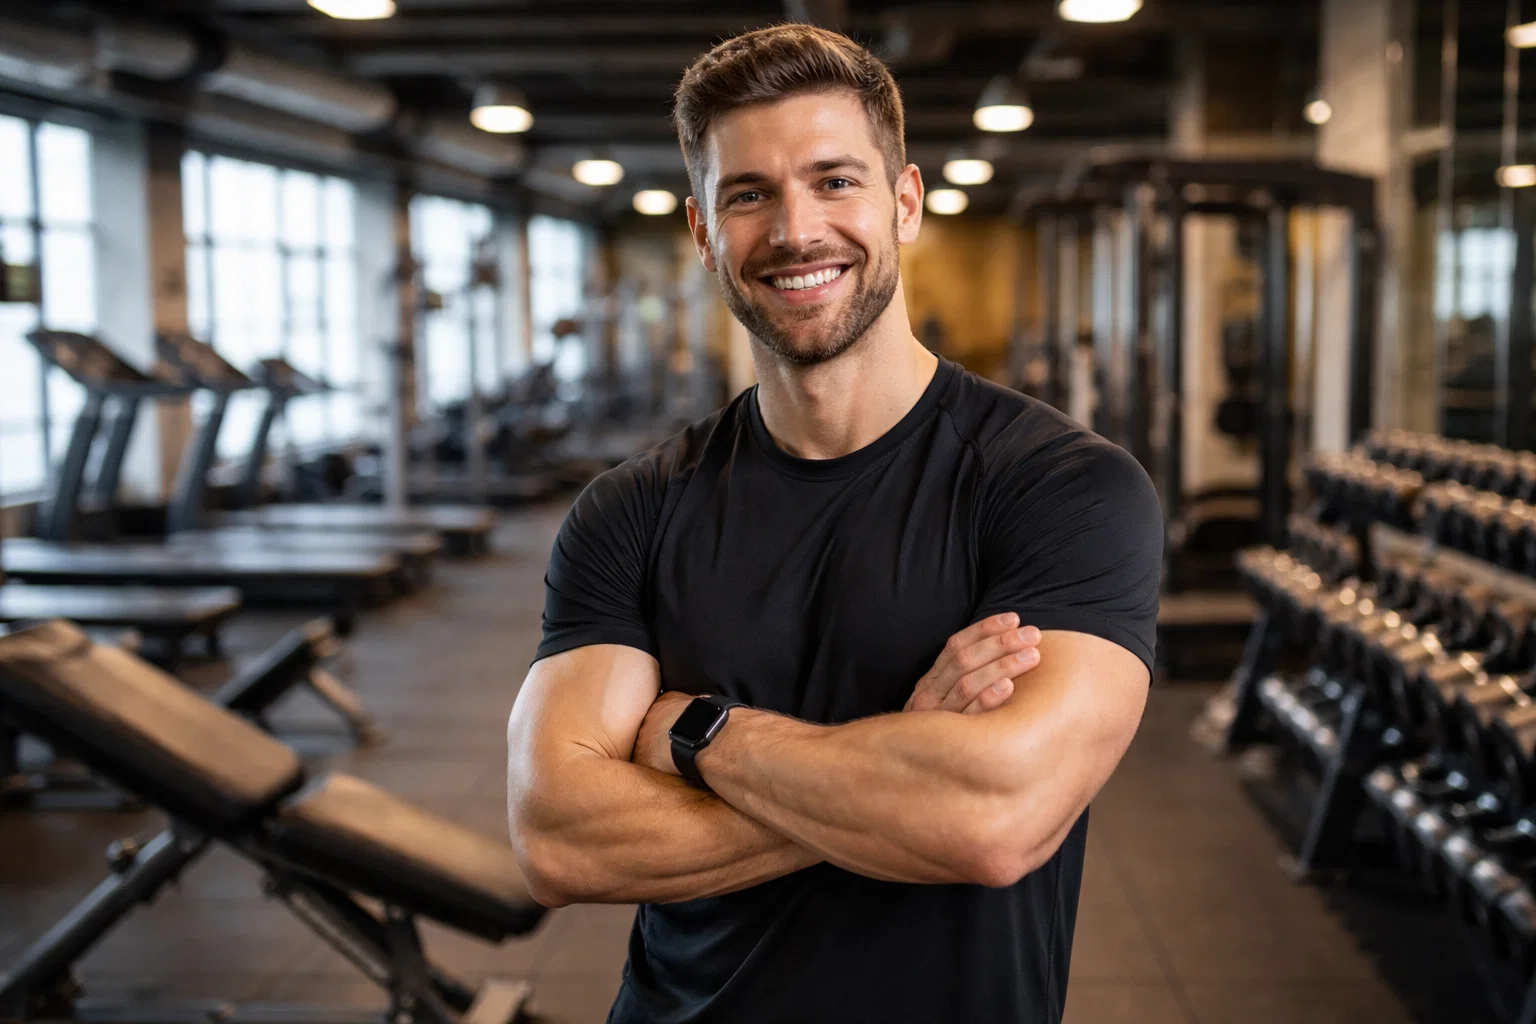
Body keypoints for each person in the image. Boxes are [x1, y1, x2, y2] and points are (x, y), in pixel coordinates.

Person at [506, 23, 1161, 1024]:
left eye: (835, 181)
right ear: (701, 231)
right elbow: (557, 833)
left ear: (905, 203)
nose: (796, 230)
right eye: (749, 194)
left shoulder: (1062, 489)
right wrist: (906, 763)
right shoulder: (630, 510)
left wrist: (695, 734)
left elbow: (995, 816)